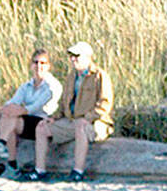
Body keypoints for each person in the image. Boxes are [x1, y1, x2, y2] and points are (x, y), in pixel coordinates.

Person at [27, 41, 113, 183]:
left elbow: (105, 104)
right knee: (41, 128)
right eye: (71, 56)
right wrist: (54, 118)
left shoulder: (100, 76)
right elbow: (64, 103)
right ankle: (39, 170)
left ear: (87, 57)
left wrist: (88, 117)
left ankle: (78, 171)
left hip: (96, 123)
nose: (73, 59)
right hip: (72, 121)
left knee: (81, 126)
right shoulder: (71, 76)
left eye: (76, 56)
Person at [0, 48, 61, 177]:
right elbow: (13, 101)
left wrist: (16, 110)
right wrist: (7, 108)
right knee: (9, 117)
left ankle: (2, 145)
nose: (39, 66)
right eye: (36, 62)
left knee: (13, 117)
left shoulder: (52, 85)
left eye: (43, 63)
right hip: (27, 119)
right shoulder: (26, 86)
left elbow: (35, 107)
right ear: (31, 65)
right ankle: (11, 162)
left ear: (48, 66)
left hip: (45, 121)